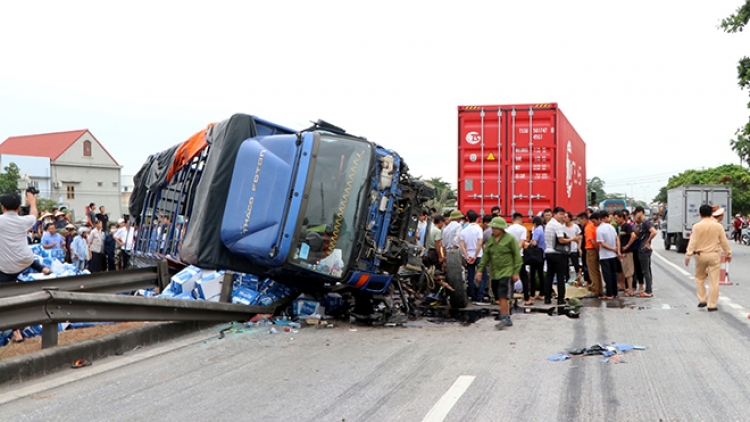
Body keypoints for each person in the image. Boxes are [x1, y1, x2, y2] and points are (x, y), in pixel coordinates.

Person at [0, 192, 51, 343]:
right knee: (27, 258)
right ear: (19, 207)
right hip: (25, 260)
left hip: (6, 266)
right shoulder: (23, 221)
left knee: (6, 298)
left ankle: (17, 333)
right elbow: (34, 215)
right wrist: (32, 202)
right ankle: (42, 268)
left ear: (2, 207)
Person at [475, 217, 522, 329]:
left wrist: (516, 272)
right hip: (495, 272)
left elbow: (517, 256)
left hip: (507, 271)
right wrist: (480, 270)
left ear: (501, 228)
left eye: (496, 228)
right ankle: (504, 314)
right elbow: (486, 256)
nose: (493, 230)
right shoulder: (490, 240)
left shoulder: (510, 239)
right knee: (498, 295)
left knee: (503, 295)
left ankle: (506, 317)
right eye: (492, 227)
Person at [685, 204, 733, 311]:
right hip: (714, 255)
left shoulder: (696, 226)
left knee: (699, 278)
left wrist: (688, 254)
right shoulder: (718, 226)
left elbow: (693, 241)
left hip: (700, 255)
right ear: (711, 214)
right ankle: (712, 305)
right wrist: (728, 254)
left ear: (700, 214)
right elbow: (724, 242)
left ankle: (702, 299)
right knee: (714, 281)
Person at [543, 207, 574, 311]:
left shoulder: (548, 225)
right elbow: (561, 240)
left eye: (564, 215)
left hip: (548, 253)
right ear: (554, 214)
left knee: (549, 276)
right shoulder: (557, 225)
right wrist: (572, 239)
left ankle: (547, 298)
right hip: (558, 254)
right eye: (560, 214)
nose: (562, 217)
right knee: (561, 276)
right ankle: (561, 298)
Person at [506, 213, 532, 306]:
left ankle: (509, 298)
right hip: (519, 256)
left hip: (509, 256)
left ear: (513, 219)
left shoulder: (508, 229)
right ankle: (527, 299)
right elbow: (521, 243)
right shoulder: (523, 229)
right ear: (520, 219)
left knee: (509, 277)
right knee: (523, 276)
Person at [459, 210, 484, 302]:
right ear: (477, 219)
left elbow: (462, 245)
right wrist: (475, 255)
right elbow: (480, 243)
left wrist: (467, 256)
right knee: (482, 275)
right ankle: (480, 296)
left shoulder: (463, 230)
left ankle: (472, 295)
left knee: (470, 275)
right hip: (479, 255)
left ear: (467, 218)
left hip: (468, 256)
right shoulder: (479, 229)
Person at [633, 206, 657, 298]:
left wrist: (647, 242)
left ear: (641, 212)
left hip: (644, 249)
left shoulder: (646, 222)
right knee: (647, 270)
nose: (635, 215)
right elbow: (637, 234)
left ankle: (648, 291)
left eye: (636, 213)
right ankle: (648, 289)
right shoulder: (642, 223)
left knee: (645, 271)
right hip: (642, 248)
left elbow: (654, 232)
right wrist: (635, 222)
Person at [596, 211, 620, 299]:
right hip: (613, 255)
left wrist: (612, 248)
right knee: (614, 274)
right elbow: (617, 238)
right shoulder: (611, 227)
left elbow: (602, 244)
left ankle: (609, 294)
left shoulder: (599, 229)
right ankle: (615, 293)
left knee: (607, 275)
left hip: (605, 255)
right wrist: (616, 249)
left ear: (600, 219)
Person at [614, 210, 636, 297]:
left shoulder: (627, 226)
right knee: (625, 271)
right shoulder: (621, 227)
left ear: (621, 218)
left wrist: (627, 246)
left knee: (628, 271)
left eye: (616, 218)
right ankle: (628, 288)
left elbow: (633, 236)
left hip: (628, 252)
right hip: (623, 252)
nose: (615, 220)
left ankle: (630, 290)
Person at [584, 212, 603, 298]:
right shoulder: (595, 227)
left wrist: (597, 249)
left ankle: (595, 291)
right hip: (596, 249)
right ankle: (600, 289)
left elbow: (591, 240)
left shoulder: (588, 227)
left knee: (592, 271)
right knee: (597, 271)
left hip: (591, 250)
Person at [562, 212, 583, 284]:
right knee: (565, 265)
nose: (564, 219)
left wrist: (579, 248)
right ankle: (567, 279)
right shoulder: (562, 227)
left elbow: (580, 238)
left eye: (566, 217)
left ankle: (579, 278)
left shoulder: (575, 227)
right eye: (563, 217)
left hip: (574, 248)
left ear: (570, 218)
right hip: (565, 249)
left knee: (576, 264)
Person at [528, 216, 546, 300]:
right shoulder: (542, 229)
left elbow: (534, 243)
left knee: (532, 275)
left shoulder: (536, 230)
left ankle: (532, 294)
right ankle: (542, 293)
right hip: (541, 254)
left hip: (535, 255)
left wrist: (529, 243)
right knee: (540, 274)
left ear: (534, 223)